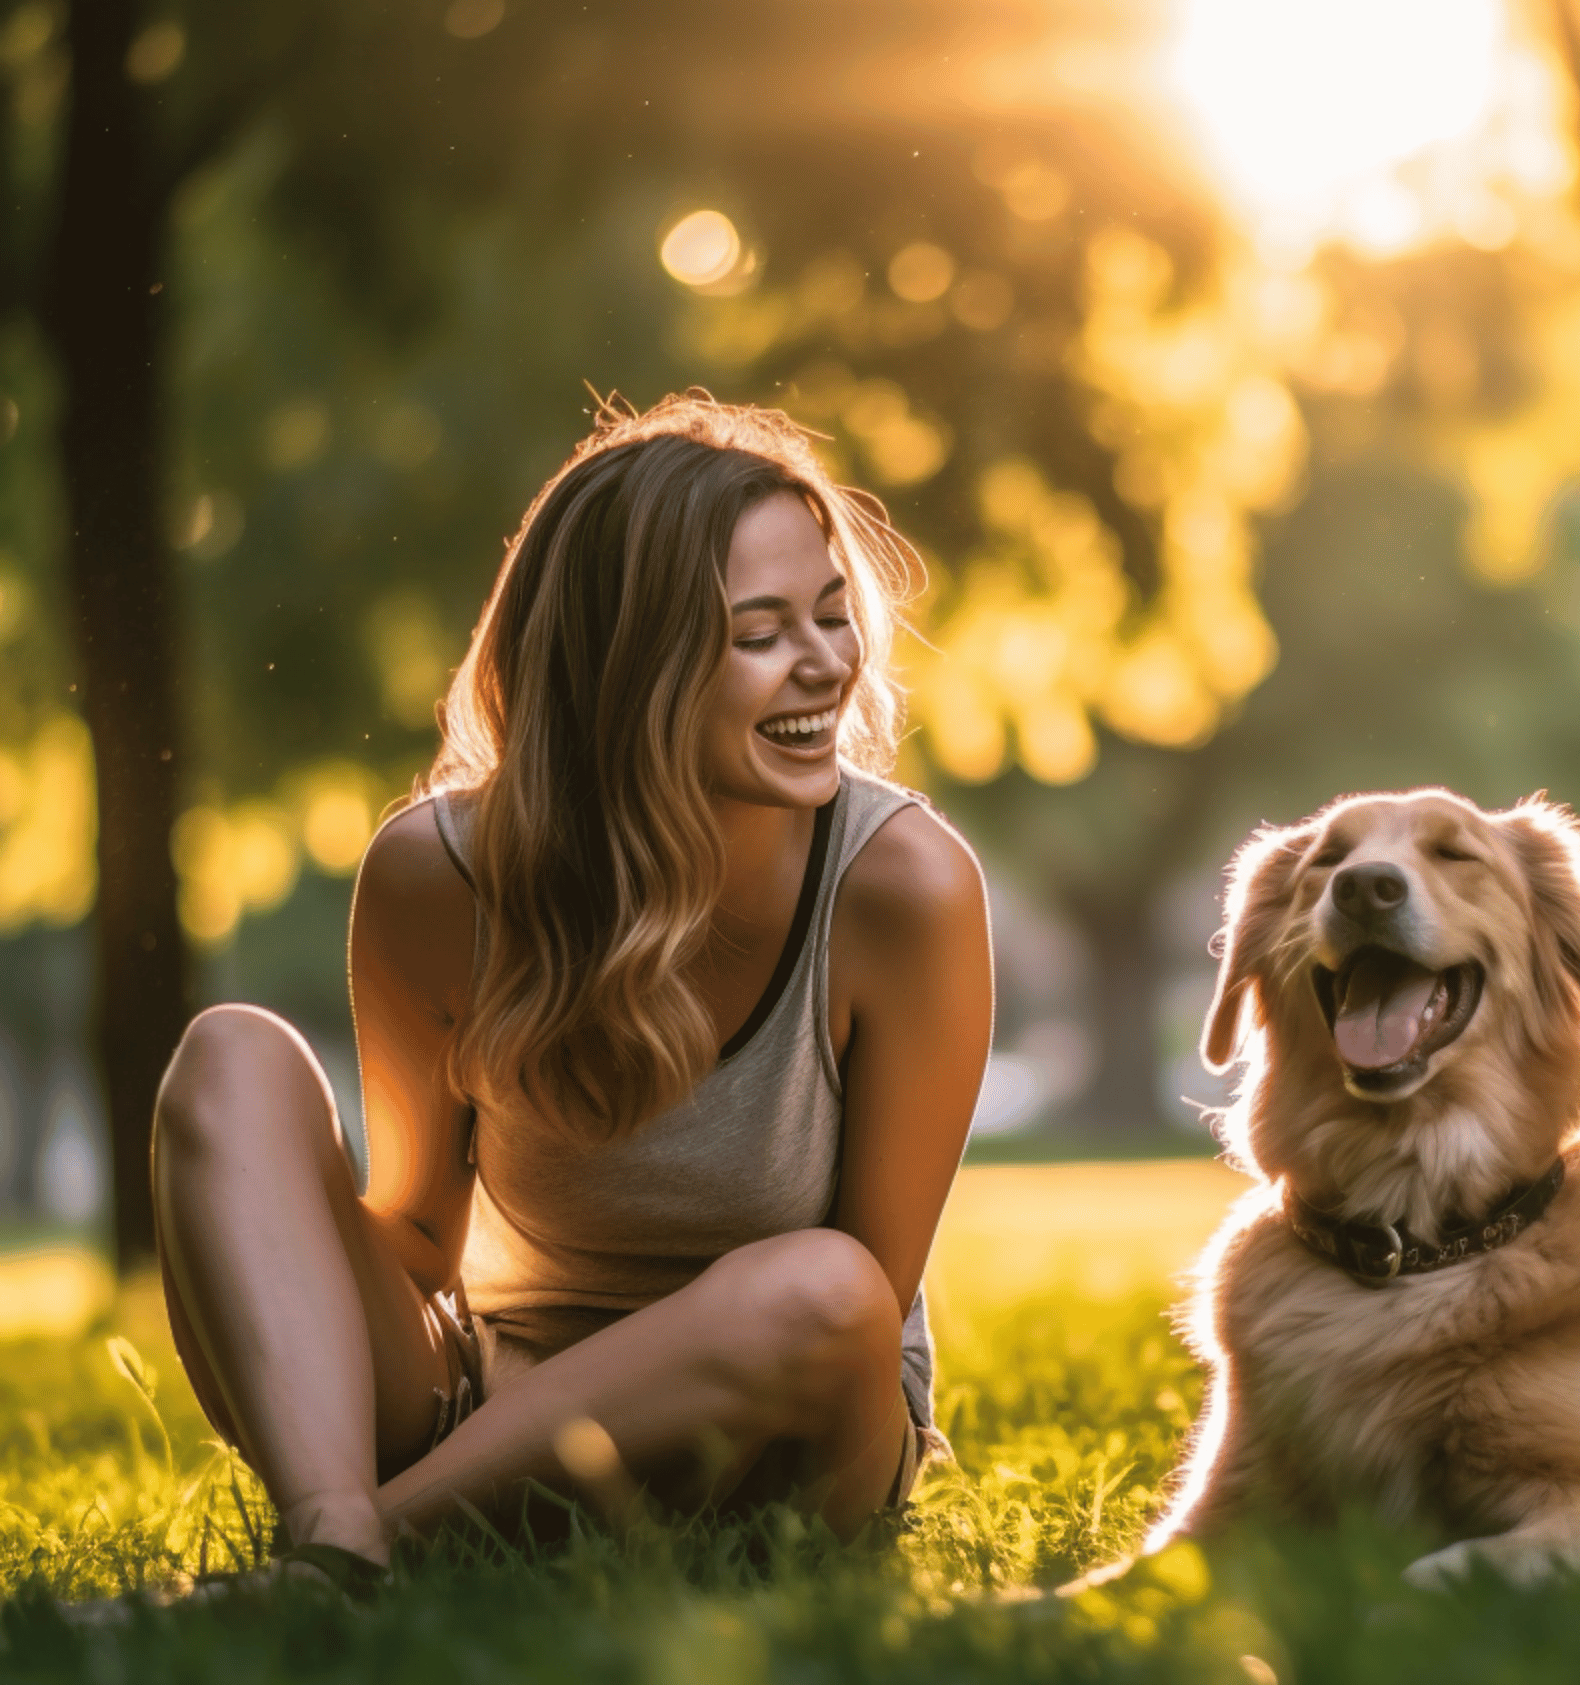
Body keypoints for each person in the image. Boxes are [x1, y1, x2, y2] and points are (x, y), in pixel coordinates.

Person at [152, 394, 993, 1585]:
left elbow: (863, 1302)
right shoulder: (435, 874)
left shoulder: (900, 888)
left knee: (821, 1287)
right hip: (486, 1404)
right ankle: (334, 1524)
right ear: (622, 667)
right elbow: (416, 1238)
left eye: (831, 613)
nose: (826, 666)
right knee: (228, 1053)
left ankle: (352, 1561)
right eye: (760, 634)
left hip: (779, 1449)